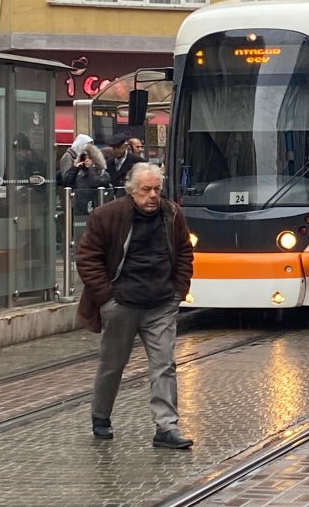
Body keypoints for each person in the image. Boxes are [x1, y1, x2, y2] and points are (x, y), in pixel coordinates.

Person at [76, 164, 195, 448]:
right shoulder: (108, 215)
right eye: (146, 190)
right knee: (112, 364)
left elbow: (184, 252)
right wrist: (106, 297)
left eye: (157, 189)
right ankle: (101, 417)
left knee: (164, 364)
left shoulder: (172, 214)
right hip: (122, 304)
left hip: (160, 303)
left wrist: (177, 291)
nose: (153, 195)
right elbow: (87, 257)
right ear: (131, 190)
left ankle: (166, 427)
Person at [63, 143, 111, 215]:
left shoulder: (103, 174)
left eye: (90, 158)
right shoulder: (80, 175)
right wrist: (75, 169)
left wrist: (92, 167)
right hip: (80, 211)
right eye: (84, 158)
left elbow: (95, 182)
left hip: (96, 210)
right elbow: (68, 183)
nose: (86, 160)